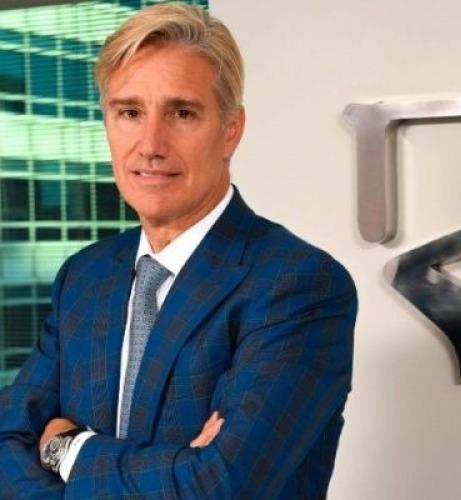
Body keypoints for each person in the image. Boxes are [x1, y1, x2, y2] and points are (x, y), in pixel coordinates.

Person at [0, 4, 357, 498]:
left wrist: (68, 449)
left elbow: (218, 484)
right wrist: (177, 464)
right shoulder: (84, 276)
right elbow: (7, 442)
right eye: (129, 112)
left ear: (230, 130)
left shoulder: (298, 283)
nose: (150, 144)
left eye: (182, 113)